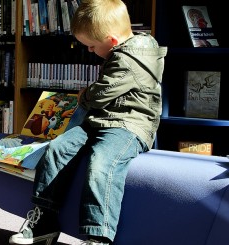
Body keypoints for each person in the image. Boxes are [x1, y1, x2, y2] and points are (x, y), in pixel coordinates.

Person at [9, 0, 167, 244]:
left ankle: (98, 236)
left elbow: (102, 93)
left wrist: (84, 94)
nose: (90, 51)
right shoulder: (121, 51)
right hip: (100, 120)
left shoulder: (130, 60)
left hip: (129, 125)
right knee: (56, 150)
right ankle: (45, 221)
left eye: (92, 46)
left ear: (112, 41)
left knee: (101, 162)